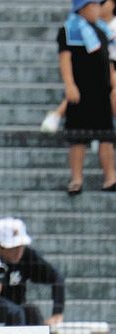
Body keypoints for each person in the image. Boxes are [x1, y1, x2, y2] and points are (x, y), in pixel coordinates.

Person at [58, 0, 116, 193]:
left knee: (106, 137)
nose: (98, 9)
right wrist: (69, 85)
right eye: (93, 5)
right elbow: (65, 59)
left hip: (101, 91)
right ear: (82, 9)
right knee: (78, 138)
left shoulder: (102, 30)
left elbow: (107, 59)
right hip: (80, 90)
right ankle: (76, 179)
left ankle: (110, 177)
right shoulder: (68, 30)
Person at [0, 217, 66, 327]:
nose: (18, 251)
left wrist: (57, 313)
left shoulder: (27, 256)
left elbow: (57, 277)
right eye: (13, 247)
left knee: (32, 312)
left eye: (21, 246)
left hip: (17, 312)